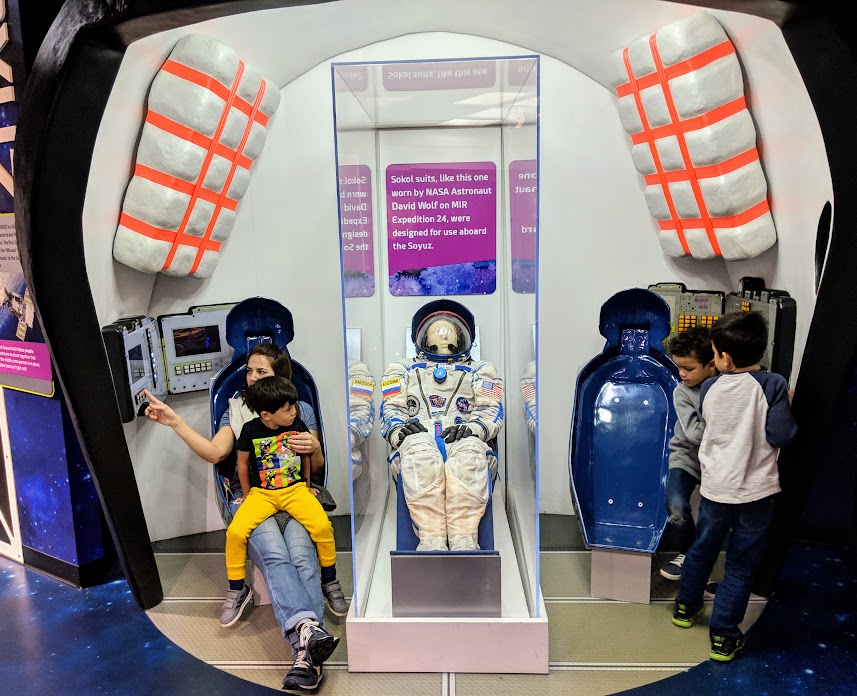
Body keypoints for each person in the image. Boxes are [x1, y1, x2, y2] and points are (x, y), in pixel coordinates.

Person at [143, 343, 344, 692]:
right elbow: (215, 453)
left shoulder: (300, 410)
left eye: (260, 372)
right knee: (277, 554)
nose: (251, 378)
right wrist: (174, 422)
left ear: (280, 377)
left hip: (296, 490)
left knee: (301, 555)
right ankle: (307, 639)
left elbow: (319, 465)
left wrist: (314, 448)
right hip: (253, 495)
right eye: (249, 371)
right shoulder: (236, 409)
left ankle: (304, 648)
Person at [671, 311, 797, 663]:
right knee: (740, 563)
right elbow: (781, 434)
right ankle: (724, 636)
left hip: (715, 489)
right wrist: (786, 402)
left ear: (724, 358)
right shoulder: (771, 384)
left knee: (703, 547)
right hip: (756, 493)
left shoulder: (710, 387)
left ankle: (685, 607)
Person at [380, 299, 504, 551]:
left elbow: (492, 410)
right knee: (418, 451)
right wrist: (398, 431)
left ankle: (464, 538)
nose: (443, 343)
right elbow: (390, 408)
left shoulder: (482, 370)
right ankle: (431, 538)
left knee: (469, 453)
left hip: (464, 435)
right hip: (417, 437)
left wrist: (474, 429)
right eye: (436, 336)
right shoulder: (401, 369)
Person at [226, 376, 341, 635]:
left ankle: (330, 577)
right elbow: (242, 464)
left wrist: (308, 483)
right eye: (288, 409)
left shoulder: (297, 424)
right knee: (235, 533)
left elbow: (305, 456)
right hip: (263, 494)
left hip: (295, 490)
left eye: (293, 407)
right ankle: (236, 587)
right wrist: (246, 495)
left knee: (322, 527)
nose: (294, 412)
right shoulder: (250, 431)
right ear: (266, 415)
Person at [659, 326, 717, 582]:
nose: (681, 374)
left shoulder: (722, 387)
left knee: (712, 515)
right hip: (686, 457)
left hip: (716, 461)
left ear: (711, 365)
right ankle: (686, 552)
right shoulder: (682, 392)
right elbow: (693, 434)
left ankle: (700, 557)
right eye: (678, 367)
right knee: (676, 505)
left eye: (689, 368)